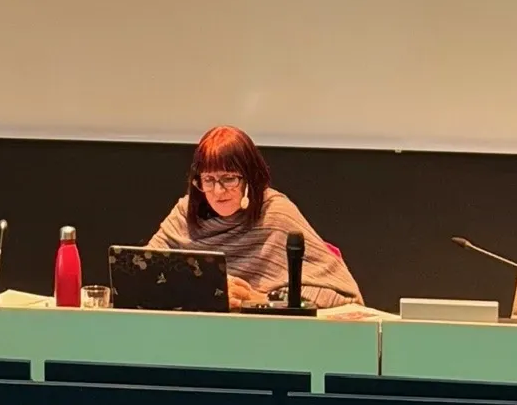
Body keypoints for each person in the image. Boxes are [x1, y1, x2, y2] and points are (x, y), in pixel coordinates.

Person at [147, 125, 362, 309]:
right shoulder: (184, 214)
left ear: (250, 178)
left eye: (229, 179)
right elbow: (142, 275)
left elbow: (343, 296)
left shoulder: (276, 214)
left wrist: (258, 299)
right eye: (209, 180)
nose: (218, 191)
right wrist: (207, 291)